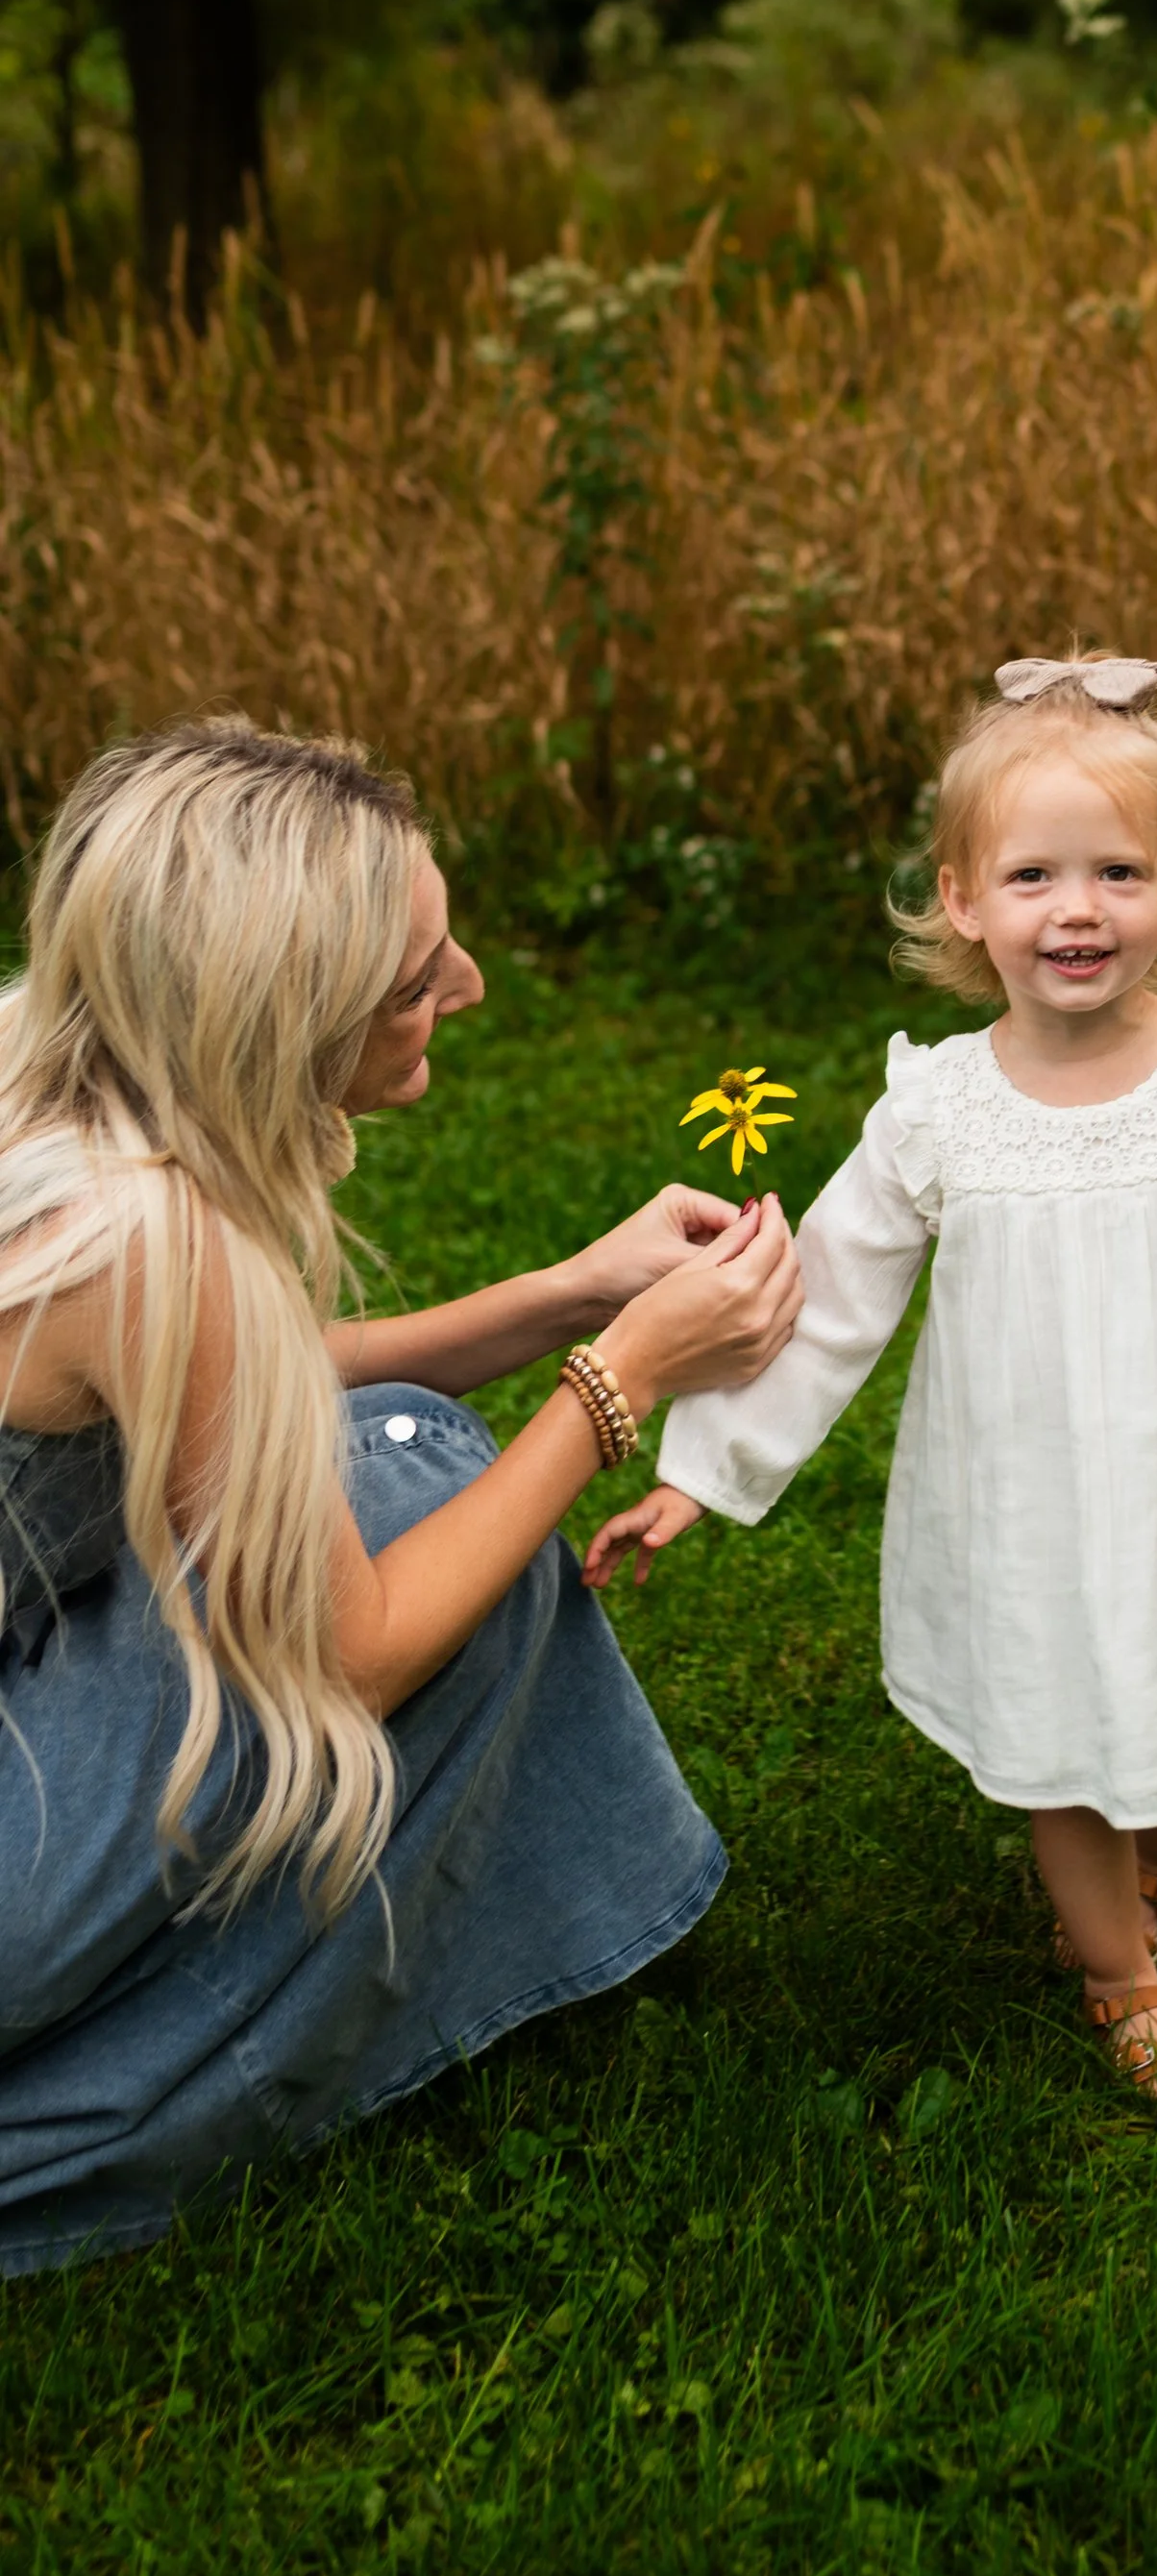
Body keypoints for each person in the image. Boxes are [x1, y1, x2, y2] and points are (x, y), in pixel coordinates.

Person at [0, 720, 801, 2271]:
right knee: (428, 1506)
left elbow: (225, 1384)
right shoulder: (145, 1233)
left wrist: (570, 1294)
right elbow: (351, 1651)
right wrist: (619, 1378)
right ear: (276, 1017)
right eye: (418, 977)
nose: (472, 987)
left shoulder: (49, 1073)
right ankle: (130, 2103)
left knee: (387, 1441)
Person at [586, 653, 1157, 2096]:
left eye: (1119, 872)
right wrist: (700, 1471)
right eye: (1032, 877)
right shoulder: (938, 1107)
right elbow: (826, 1302)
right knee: (1062, 1729)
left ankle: (1152, 1858)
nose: (1077, 910)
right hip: (1019, 1500)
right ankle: (1120, 1976)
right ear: (961, 898)